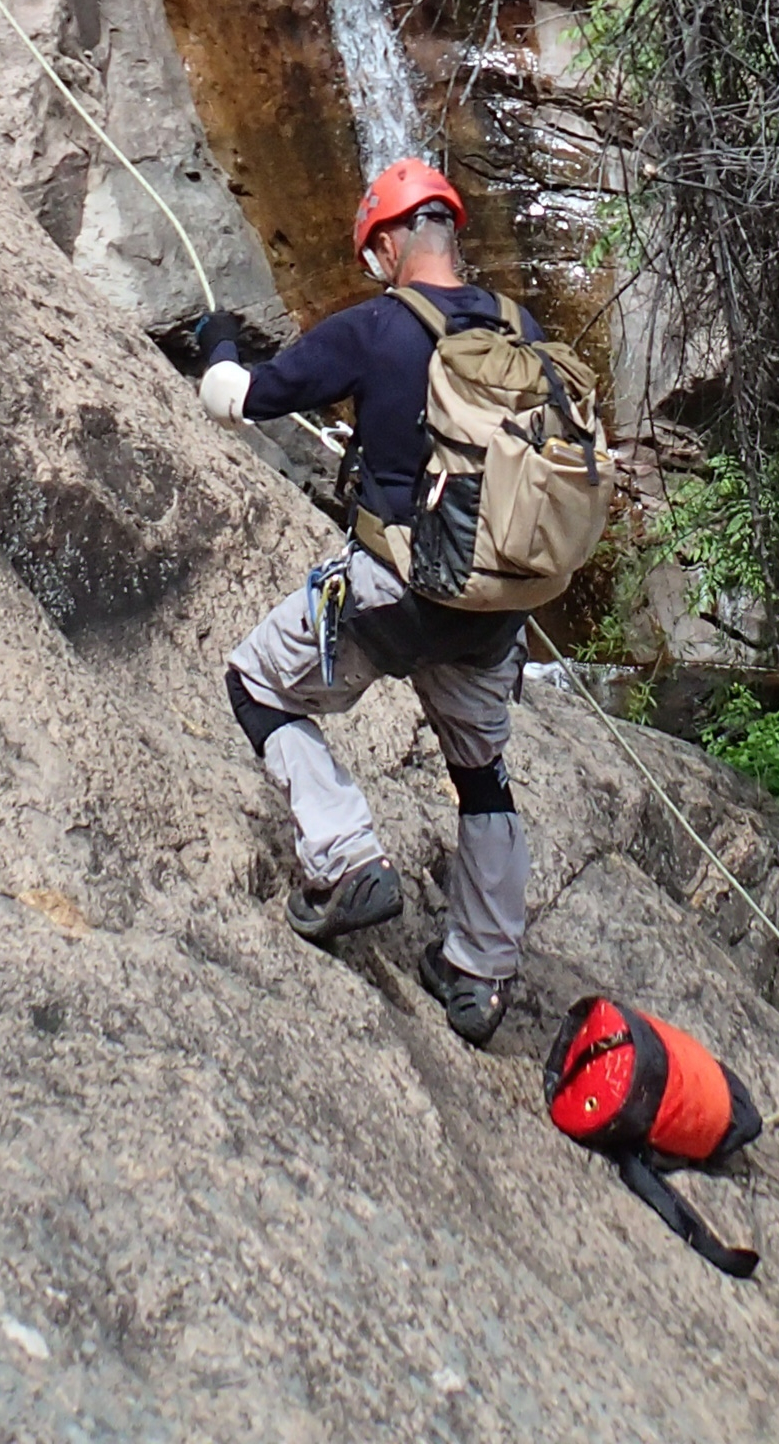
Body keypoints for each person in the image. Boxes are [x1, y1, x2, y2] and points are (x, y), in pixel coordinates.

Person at [193, 156, 540, 1048]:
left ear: (388, 241)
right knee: (482, 777)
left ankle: (346, 858)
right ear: (449, 230)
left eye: (370, 249)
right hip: (495, 607)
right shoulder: (520, 329)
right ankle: (479, 973)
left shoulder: (376, 329)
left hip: (395, 591)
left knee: (257, 687)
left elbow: (242, 400)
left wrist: (219, 340)